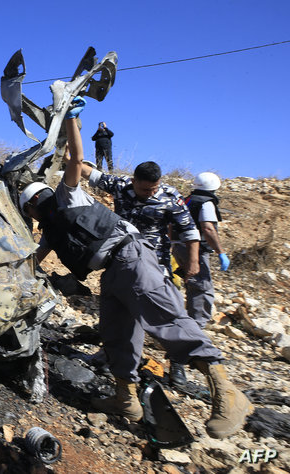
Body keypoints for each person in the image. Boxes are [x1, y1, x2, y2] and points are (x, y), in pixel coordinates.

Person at [18, 97, 252, 439]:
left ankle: (226, 392)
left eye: (31, 212)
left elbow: (77, 161)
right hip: (112, 273)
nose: (33, 219)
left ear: (37, 202)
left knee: (164, 318)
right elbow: (34, 259)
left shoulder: (67, 198)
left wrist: (72, 122)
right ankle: (125, 399)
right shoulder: (53, 229)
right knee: (116, 333)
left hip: (134, 258)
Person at [80, 160, 201, 386]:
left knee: (168, 317)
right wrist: (70, 157)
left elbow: (189, 230)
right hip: (121, 264)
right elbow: (88, 172)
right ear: (134, 180)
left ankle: (178, 365)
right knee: (119, 317)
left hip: (156, 267)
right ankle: (114, 359)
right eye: (145, 189)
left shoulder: (169, 196)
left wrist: (193, 262)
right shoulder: (120, 185)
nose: (150, 193)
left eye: (154, 188)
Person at [173, 172, 230, 328]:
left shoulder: (187, 200)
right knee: (202, 287)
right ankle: (197, 326)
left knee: (192, 284)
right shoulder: (206, 203)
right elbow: (208, 228)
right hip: (193, 249)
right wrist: (221, 252)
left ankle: (187, 320)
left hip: (178, 246)